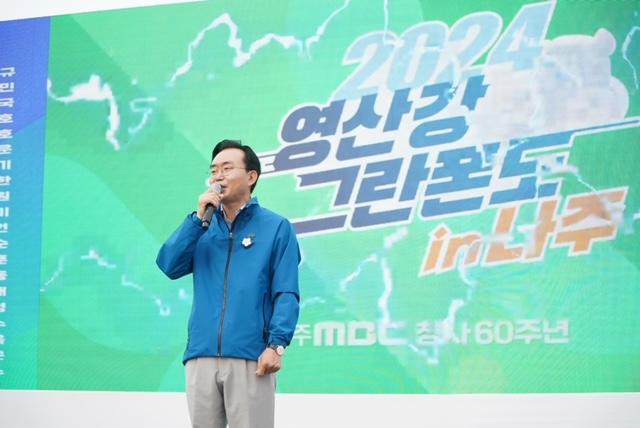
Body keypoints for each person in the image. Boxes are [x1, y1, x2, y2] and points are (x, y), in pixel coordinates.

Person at [156, 139, 301, 428]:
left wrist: (277, 345)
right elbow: (169, 265)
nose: (218, 176)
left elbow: (286, 292)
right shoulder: (201, 227)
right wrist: (197, 219)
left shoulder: (276, 227)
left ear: (251, 176)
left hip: (251, 355)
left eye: (227, 168)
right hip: (201, 354)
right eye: (214, 170)